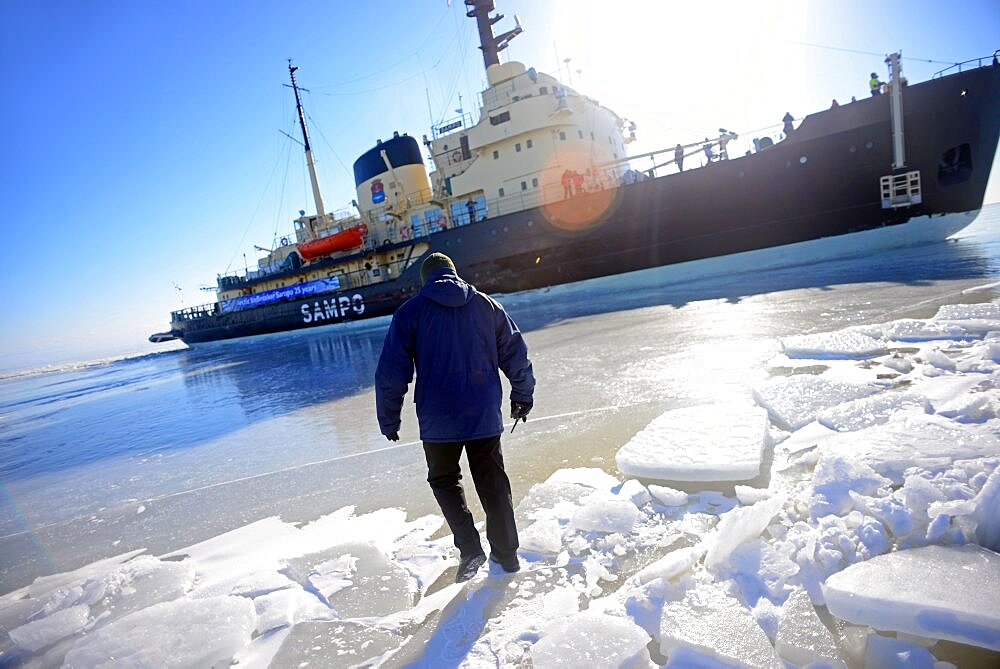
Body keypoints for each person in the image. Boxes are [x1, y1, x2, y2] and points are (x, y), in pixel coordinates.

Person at [375, 253, 535, 583]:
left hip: (438, 419)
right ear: (454, 272)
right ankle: (507, 555)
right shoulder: (487, 306)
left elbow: (392, 372)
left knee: (445, 480)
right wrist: (522, 395)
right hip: (482, 413)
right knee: (492, 483)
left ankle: (470, 548)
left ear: (426, 279)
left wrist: (389, 419)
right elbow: (516, 353)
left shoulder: (411, 312)